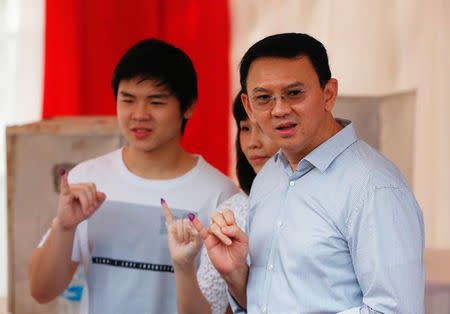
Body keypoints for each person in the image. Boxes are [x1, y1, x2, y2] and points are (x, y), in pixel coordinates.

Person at [192, 33, 425, 313]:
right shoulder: (268, 178)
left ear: (329, 94)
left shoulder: (374, 186)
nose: (279, 109)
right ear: (248, 107)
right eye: (264, 98)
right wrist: (235, 273)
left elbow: (395, 310)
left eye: (294, 93)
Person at [28, 38, 238, 313]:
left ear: (188, 107)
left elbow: (227, 307)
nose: (139, 114)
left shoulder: (220, 194)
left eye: (156, 102)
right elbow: (42, 291)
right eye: (128, 100)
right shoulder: (89, 178)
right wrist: (64, 228)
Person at [161, 91, 279, 314]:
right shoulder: (234, 210)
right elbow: (207, 310)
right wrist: (183, 266)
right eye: (244, 128)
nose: (253, 142)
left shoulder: (329, 199)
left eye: (263, 127)